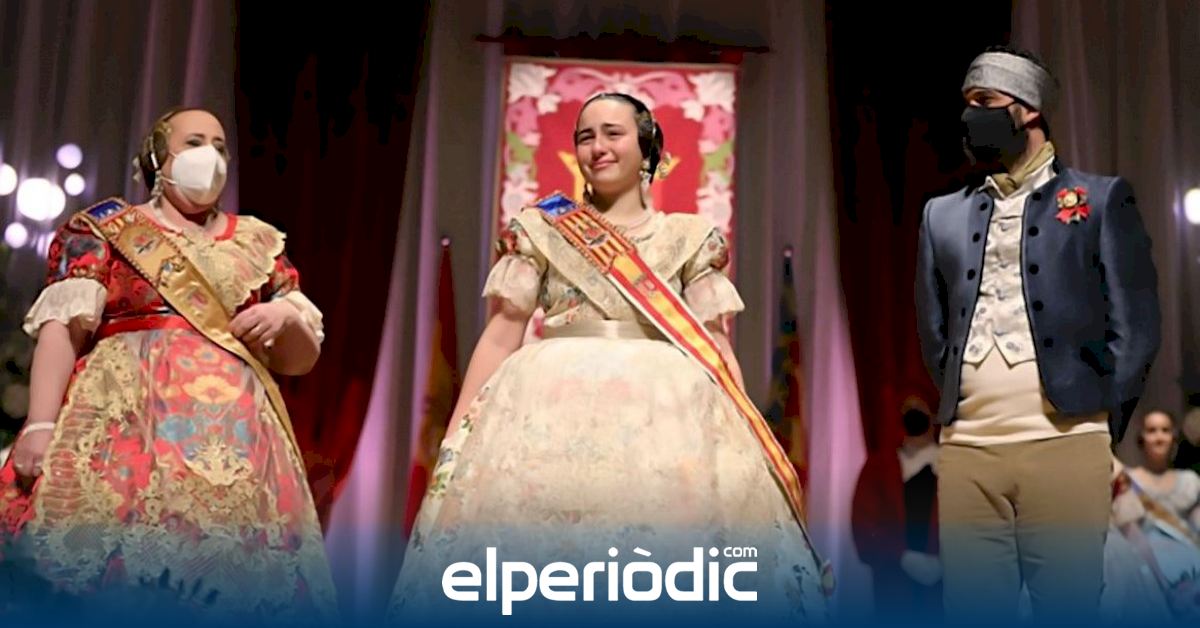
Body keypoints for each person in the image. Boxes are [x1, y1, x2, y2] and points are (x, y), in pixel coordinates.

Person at [387, 92, 829, 624]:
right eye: (585, 136)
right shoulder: (541, 229)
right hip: (549, 414)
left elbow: (715, 346)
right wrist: (456, 440)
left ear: (647, 149)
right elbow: (502, 335)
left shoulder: (690, 238)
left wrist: (747, 433)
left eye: (613, 133)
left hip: (664, 420)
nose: (597, 146)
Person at [0, 108, 337, 624]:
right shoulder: (103, 231)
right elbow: (62, 331)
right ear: (159, 157)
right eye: (194, 142)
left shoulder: (257, 241)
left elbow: (300, 360)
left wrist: (284, 317)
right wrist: (40, 424)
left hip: (235, 441)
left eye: (220, 146)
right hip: (124, 426)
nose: (211, 156)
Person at [914, 46, 1161, 624]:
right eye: (967, 103)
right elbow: (933, 328)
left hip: (1067, 442)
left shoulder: (1100, 199)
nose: (971, 116)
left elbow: (1136, 327)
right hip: (969, 449)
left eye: (985, 101)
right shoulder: (940, 215)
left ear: (1027, 109)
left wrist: (1097, 422)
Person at [1104, 411, 1200, 623]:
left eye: (1165, 430)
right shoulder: (1127, 478)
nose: (1159, 437)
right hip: (1147, 563)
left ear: (1173, 437)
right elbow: (1128, 529)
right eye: (1152, 430)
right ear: (1142, 437)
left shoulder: (1189, 481)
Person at [851, 396, 941, 620]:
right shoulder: (878, 468)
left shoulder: (955, 466)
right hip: (894, 592)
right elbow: (864, 530)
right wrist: (901, 556)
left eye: (920, 413)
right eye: (908, 413)